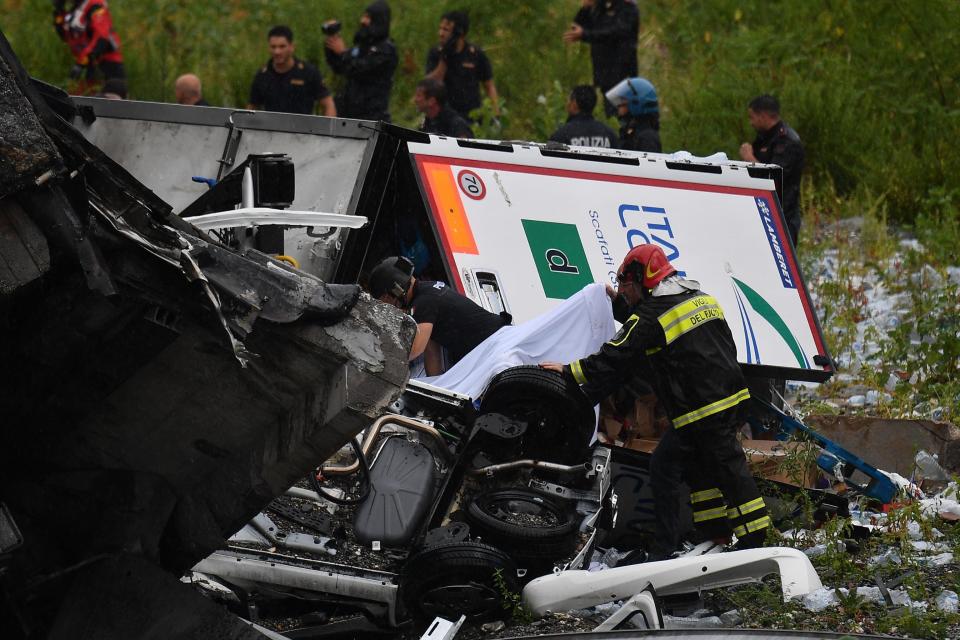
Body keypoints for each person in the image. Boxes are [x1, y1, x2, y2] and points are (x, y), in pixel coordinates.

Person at [542, 244, 772, 551]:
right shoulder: (700, 298)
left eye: (625, 285)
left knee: (726, 470)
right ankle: (711, 535)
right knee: (697, 468)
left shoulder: (652, 315)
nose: (623, 291)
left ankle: (754, 542)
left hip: (702, 410)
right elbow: (655, 329)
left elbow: (618, 353)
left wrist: (570, 371)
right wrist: (619, 307)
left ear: (641, 279)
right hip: (729, 399)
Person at [368, 256, 510, 375]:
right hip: (494, 347)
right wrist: (431, 387)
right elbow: (432, 353)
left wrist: (380, 361)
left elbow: (415, 350)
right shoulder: (426, 292)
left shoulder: (425, 301)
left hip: (499, 350)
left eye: (386, 299)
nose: (389, 307)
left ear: (397, 290)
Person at [739, 95, 805, 246]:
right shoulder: (765, 138)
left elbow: (774, 176)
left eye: (752, 117)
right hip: (762, 210)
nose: (751, 122)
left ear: (763, 116)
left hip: (783, 214)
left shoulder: (787, 141)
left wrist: (749, 158)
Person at [323, 0, 398, 121]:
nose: (363, 21)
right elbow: (340, 68)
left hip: (371, 116)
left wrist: (343, 52)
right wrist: (331, 44)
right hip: (349, 113)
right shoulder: (361, 48)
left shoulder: (386, 50)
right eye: (363, 16)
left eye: (368, 17)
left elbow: (361, 69)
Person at [563, 0, 639, 116]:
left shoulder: (627, 8)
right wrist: (585, 8)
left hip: (622, 74)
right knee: (611, 113)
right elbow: (578, 27)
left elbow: (616, 32)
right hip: (604, 73)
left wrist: (585, 35)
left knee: (622, 116)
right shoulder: (601, 7)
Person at [424, 11, 500, 122]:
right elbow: (430, 86)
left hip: (470, 116)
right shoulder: (436, 52)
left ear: (459, 33)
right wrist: (445, 59)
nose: (440, 33)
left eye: (446, 30)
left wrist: (495, 112)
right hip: (443, 116)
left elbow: (489, 85)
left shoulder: (475, 54)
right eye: (440, 29)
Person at [248, 25, 336, 116]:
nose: (277, 52)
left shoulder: (308, 72)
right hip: (271, 127)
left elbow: (328, 104)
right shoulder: (262, 75)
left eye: (282, 47)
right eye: (273, 47)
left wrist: (327, 128)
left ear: (292, 47)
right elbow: (252, 108)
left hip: (303, 128)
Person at [52, 0, 125, 94]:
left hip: (106, 63)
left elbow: (101, 38)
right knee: (79, 99)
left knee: (111, 101)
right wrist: (59, 11)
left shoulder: (95, 5)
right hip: (87, 63)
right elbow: (65, 36)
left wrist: (82, 62)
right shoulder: (76, 10)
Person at [549, 85, 618, 148]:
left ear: (574, 103)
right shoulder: (609, 135)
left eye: (569, 99)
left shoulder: (561, 136)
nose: (567, 103)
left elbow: (550, 159)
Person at [606, 76, 661, 152]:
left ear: (635, 104)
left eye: (621, 103)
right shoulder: (631, 132)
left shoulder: (647, 138)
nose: (618, 108)